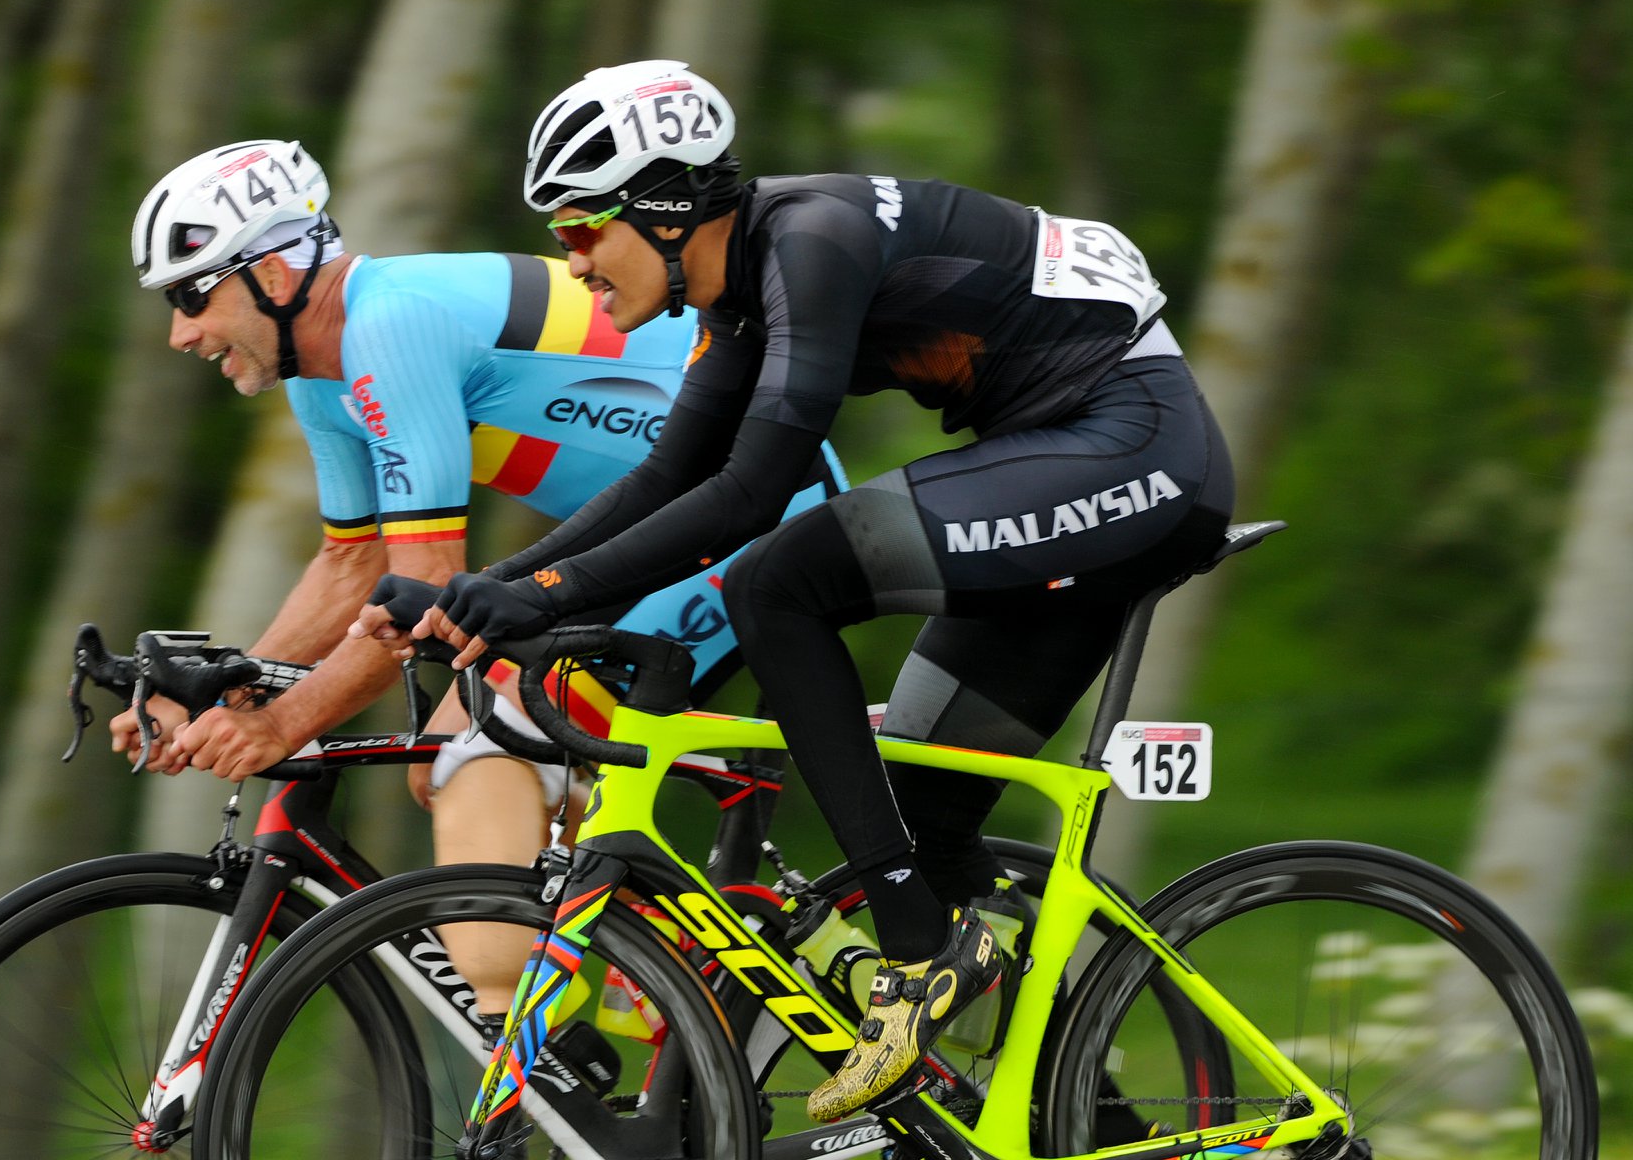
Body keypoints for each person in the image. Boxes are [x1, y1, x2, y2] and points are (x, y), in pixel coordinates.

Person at [361, 61, 1235, 1123]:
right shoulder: (738, 293)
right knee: (923, 811)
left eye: (585, 228)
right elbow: (668, 476)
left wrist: (546, 597)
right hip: (1067, 477)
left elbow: (751, 494)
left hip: (1132, 450)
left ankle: (916, 955)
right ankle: (1084, 1118)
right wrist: (485, 592)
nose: (572, 258)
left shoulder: (813, 242)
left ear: (667, 211)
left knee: (777, 583)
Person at [114, 138, 844, 1025]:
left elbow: (426, 592)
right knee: (459, 754)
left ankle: (529, 1055)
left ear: (270, 274)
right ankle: (657, 964)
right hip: (661, 538)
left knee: (479, 749)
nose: (180, 334)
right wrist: (224, 688)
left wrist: (282, 723)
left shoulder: (391, 327)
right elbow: (353, 565)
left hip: (753, 519)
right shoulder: (323, 374)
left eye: (191, 297)